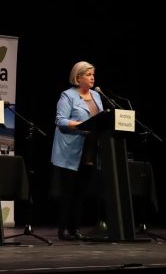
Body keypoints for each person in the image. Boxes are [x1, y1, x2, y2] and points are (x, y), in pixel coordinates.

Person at [50, 61, 103, 240]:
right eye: (88, 74)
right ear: (78, 77)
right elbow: (61, 121)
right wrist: (82, 125)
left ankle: (75, 228)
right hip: (70, 150)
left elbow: (102, 119)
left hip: (90, 150)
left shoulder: (97, 95)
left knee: (81, 192)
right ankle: (63, 228)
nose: (92, 77)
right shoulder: (68, 96)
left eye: (93, 74)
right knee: (68, 191)